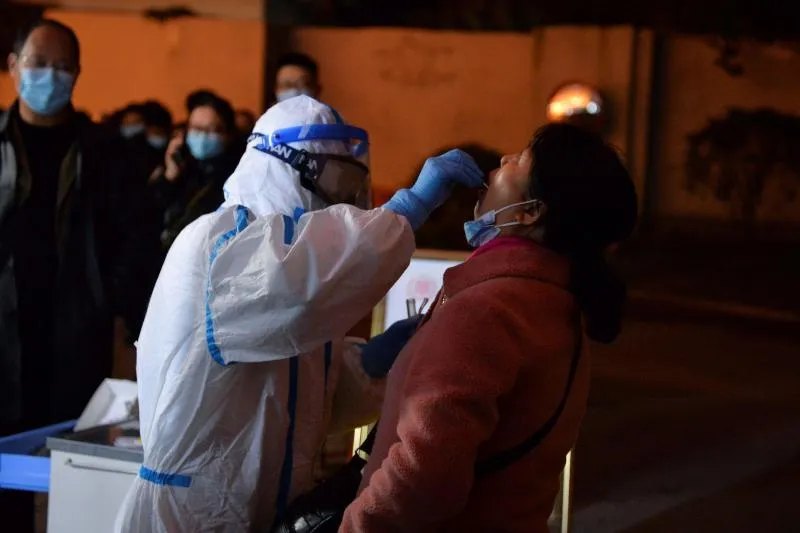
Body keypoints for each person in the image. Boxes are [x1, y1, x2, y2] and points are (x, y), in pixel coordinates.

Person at [113, 94, 484, 532]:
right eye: (337, 178)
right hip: (191, 516)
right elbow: (300, 296)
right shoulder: (223, 240)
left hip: (257, 507)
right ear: (290, 167)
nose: (345, 198)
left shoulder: (285, 260)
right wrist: (407, 209)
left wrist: (366, 364)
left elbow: (292, 396)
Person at [340, 122, 638, 533]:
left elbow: (424, 479)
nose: (502, 160)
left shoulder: (485, 311)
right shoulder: (554, 303)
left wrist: (356, 526)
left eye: (519, 160)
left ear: (530, 211)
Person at [0, 18, 154, 532]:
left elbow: (137, 240)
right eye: (38, 63)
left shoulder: (108, 154)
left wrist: (110, 306)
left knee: (75, 467)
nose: (49, 76)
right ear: (13, 67)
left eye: (62, 66)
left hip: (75, 335)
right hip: (4, 333)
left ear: (78, 74)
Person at [150, 91, 243, 249]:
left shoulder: (237, 177)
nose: (202, 135)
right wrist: (169, 177)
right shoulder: (181, 168)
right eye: (196, 128)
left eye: (212, 129)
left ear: (228, 134)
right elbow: (148, 215)